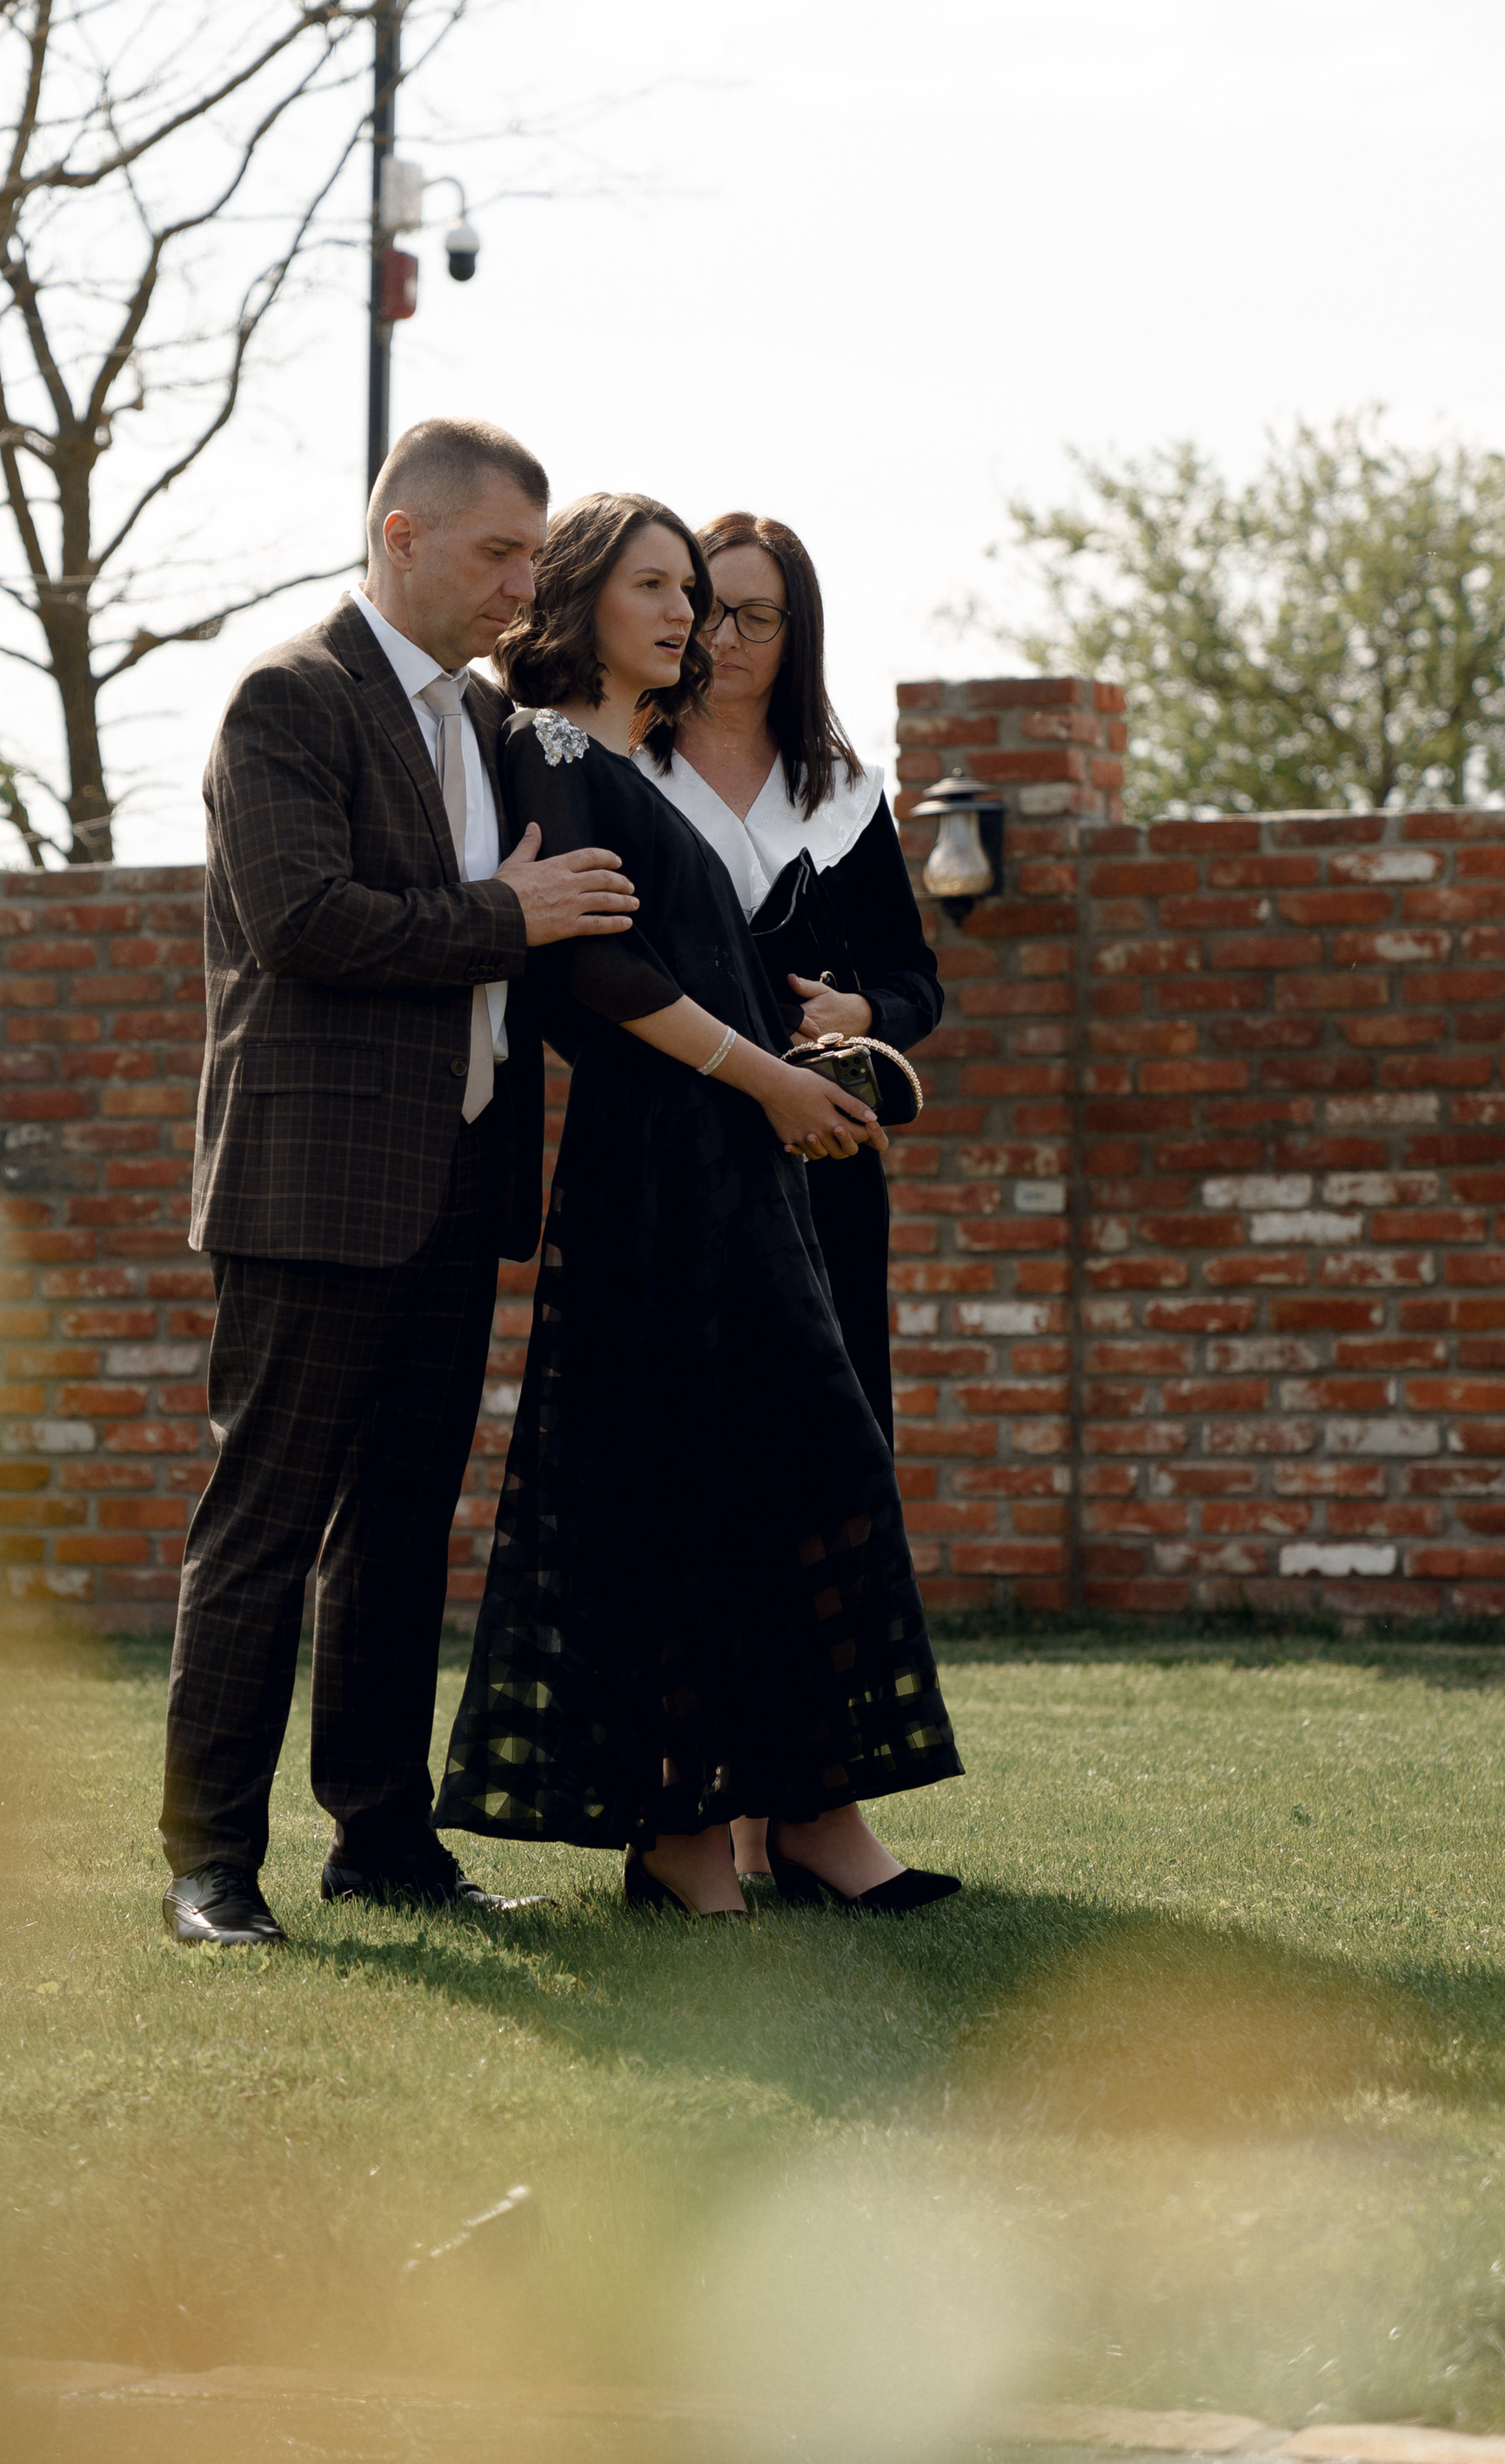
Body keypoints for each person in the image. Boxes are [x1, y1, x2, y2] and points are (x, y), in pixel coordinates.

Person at [436, 494, 963, 1919]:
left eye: (706, 597)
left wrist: (836, 1043)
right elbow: (594, 981)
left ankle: (812, 1819)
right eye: (660, 589)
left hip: (746, 1167)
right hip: (661, 1165)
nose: (690, 619)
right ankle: (678, 1836)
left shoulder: (640, 764)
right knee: (675, 1498)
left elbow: (885, 971)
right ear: (585, 599)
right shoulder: (555, 752)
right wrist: (767, 1080)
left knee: (802, 1478)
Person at [157, 417, 640, 1946]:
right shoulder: (289, 698)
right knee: (264, 1530)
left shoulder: (495, 726)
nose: (521, 589)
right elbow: (305, 921)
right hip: (311, 1192)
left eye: (533, 560)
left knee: (399, 1536)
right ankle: (209, 1867)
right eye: (499, 554)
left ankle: (381, 1842)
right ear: (402, 537)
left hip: (457, 1190)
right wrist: (508, 915)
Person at [636, 510, 940, 1452]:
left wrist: (865, 1010)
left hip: (823, 1156)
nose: (724, 637)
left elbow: (918, 981)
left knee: (826, 1435)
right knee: (683, 1434)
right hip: (673, 1147)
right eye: (708, 608)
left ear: (795, 633)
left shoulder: (846, 795)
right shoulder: (624, 772)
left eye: (756, 617)